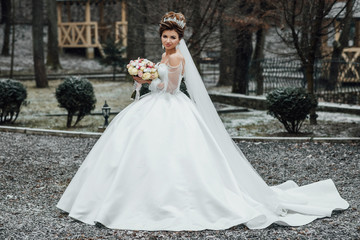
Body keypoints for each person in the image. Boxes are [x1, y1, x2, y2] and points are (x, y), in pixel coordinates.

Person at [57, 12, 349, 231]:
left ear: (180, 40)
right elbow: (154, 85)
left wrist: (147, 79)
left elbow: (170, 89)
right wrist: (141, 79)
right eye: (165, 36)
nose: (168, 40)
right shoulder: (163, 55)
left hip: (169, 106)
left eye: (173, 37)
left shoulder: (175, 60)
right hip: (156, 105)